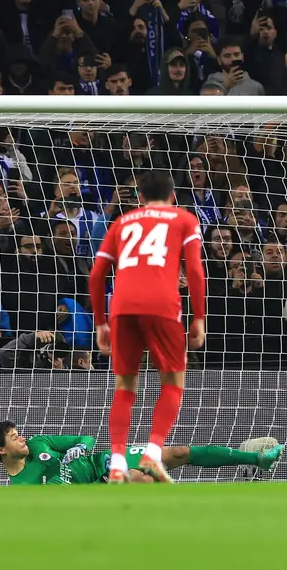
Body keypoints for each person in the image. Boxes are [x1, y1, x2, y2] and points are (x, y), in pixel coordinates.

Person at [88, 170, 207, 484]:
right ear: (172, 195)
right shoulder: (183, 219)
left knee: (125, 388)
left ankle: (116, 464)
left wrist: (100, 321)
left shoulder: (121, 223)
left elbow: (97, 273)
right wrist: (199, 316)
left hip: (122, 309)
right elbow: (194, 270)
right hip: (163, 307)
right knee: (172, 383)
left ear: (139, 197)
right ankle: (152, 454)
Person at [0, 422, 283, 485]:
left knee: (175, 453)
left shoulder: (39, 443)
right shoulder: (23, 487)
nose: (23, 439)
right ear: (2, 451)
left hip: (102, 461)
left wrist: (77, 448)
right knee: (141, 478)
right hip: (97, 488)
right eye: (14, 438)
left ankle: (257, 459)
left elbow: (86, 436)